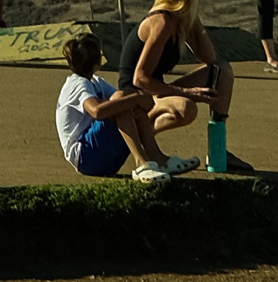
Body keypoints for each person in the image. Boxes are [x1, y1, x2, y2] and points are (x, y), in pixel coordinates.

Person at [120, 0, 247, 172]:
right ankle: (141, 133)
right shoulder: (161, 22)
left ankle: (218, 149)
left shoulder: (177, 21)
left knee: (222, 71)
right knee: (185, 108)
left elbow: (209, 59)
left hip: (154, 90)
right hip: (136, 96)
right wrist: (185, 91)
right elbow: (139, 79)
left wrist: (193, 19)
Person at [54, 33, 186, 184]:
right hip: (86, 157)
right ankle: (142, 163)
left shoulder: (96, 82)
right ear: (98, 60)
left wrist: (136, 101)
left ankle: (156, 158)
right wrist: (136, 98)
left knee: (124, 101)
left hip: (102, 157)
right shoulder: (77, 84)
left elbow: (123, 98)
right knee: (121, 103)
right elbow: (97, 111)